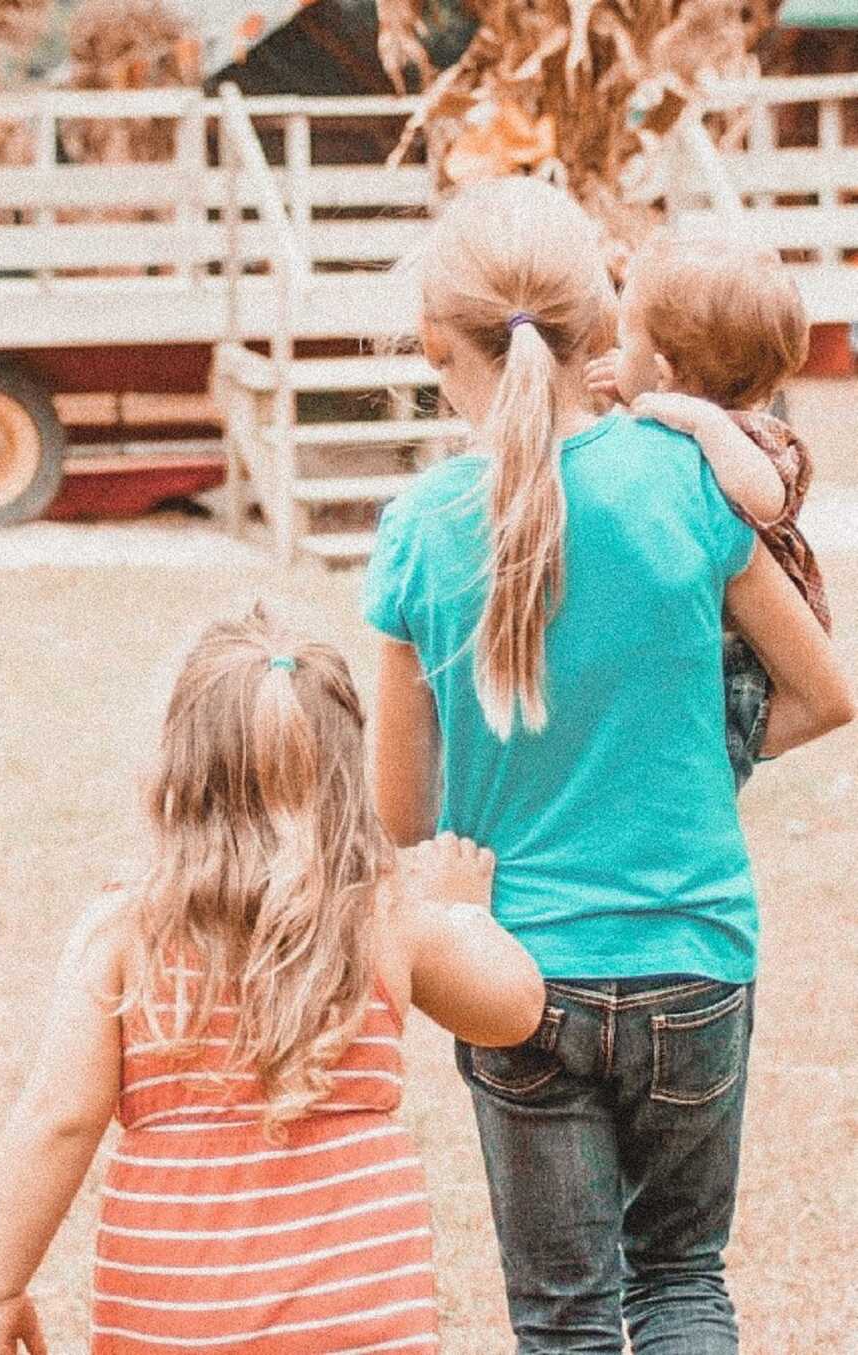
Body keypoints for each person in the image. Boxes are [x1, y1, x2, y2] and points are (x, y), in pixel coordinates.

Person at [363, 176, 854, 1354]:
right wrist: (696, 752)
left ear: (437, 344)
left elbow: (401, 810)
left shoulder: (419, 529)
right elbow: (827, 690)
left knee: (565, 1321)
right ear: (601, 321)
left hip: (519, 972)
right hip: (696, 955)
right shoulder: (688, 480)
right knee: (682, 1284)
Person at [0, 604, 545, 1355]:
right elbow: (515, 1010)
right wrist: (467, 914)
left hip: (172, 1320)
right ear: (348, 770)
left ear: (181, 764)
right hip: (355, 1318)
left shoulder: (121, 930)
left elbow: (60, 1119)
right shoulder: (380, 915)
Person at [584, 227, 832, 790]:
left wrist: (703, 422)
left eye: (625, 341)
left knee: (680, 777)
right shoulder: (681, 426)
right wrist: (634, 400)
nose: (614, 355)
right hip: (693, 642)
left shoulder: (751, 437)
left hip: (740, 667)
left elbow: (766, 498)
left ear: (668, 375)